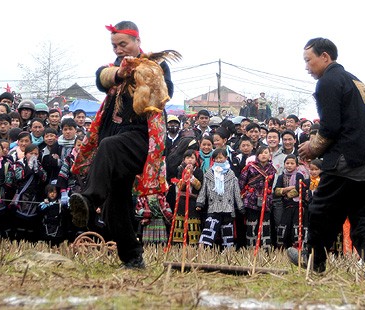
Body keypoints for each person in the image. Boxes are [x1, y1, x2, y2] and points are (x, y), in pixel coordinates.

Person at [69, 21, 174, 269]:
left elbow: (165, 92)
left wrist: (140, 76)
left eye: (123, 44)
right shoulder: (115, 67)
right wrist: (119, 73)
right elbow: (100, 78)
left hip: (140, 138)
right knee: (115, 204)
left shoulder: (156, 64)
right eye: (114, 45)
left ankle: (89, 199)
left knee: (108, 146)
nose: (118, 49)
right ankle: (132, 257)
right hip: (114, 137)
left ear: (137, 41)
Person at [288, 38, 365, 278]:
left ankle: (313, 261)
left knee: (321, 209)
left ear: (325, 57)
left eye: (309, 60)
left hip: (352, 161)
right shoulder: (353, 80)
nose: (306, 67)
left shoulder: (328, 81)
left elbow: (331, 128)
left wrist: (312, 148)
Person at [197, 148, 244, 249]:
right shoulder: (209, 174)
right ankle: (203, 250)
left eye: (220, 157)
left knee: (227, 232)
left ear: (226, 158)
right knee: (209, 228)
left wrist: (240, 206)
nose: (218, 160)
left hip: (228, 208)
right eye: (216, 158)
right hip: (213, 207)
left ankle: (228, 253)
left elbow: (236, 192)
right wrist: (199, 203)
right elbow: (203, 190)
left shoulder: (232, 175)